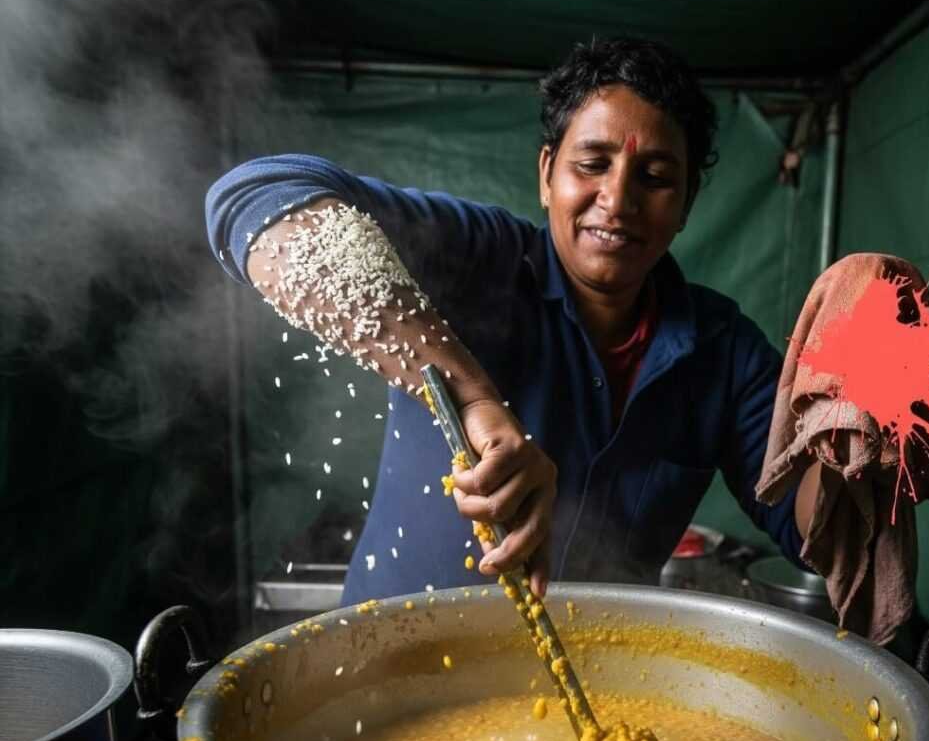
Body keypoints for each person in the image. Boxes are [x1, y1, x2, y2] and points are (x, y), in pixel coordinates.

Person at [206, 36, 824, 608]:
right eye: (592, 164)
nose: (618, 200)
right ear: (546, 174)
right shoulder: (478, 258)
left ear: (686, 205)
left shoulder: (724, 352)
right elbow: (257, 199)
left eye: (656, 178)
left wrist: (857, 427)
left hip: (594, 698)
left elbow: (815, 538)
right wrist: (474, 402)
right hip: (389, 672)